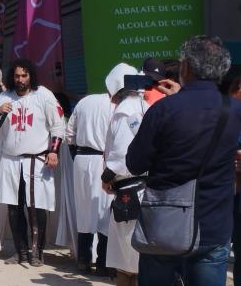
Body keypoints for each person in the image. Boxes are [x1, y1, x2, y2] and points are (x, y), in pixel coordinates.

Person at [126, 36, 241, 286]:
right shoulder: (234, 110)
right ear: (221, 69)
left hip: (164, 227)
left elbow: (135, 163)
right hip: (214, 225)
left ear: (186, 67)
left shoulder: (163, 110)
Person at [0, 58, 65, 266]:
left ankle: (38, 251)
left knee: (37, 208)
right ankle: (20, 251)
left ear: (31, 75)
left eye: (24, 75)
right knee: (14, 208)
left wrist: (54, 151)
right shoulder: (5, 97)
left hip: (36, 161)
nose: (20, 79)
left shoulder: (43, 95)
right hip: (10, 161)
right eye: (17, 76)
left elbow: (58, 125)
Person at [99, 63, 147, 286]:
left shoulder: (124, 111)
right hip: (144, 188)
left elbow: (121, 154)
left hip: (129, 191)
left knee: (127, 264)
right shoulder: (143, 105)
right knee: (137, 257)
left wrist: (106, 177)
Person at [65, 90, 113, 274]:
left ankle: (83, 260)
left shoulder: (84, 102)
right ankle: (102, 263)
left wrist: (76, 155)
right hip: (101, 159)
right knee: (104, 211)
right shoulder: (113, 105)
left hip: (81, 159)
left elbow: (69, 134)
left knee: (84, 209)